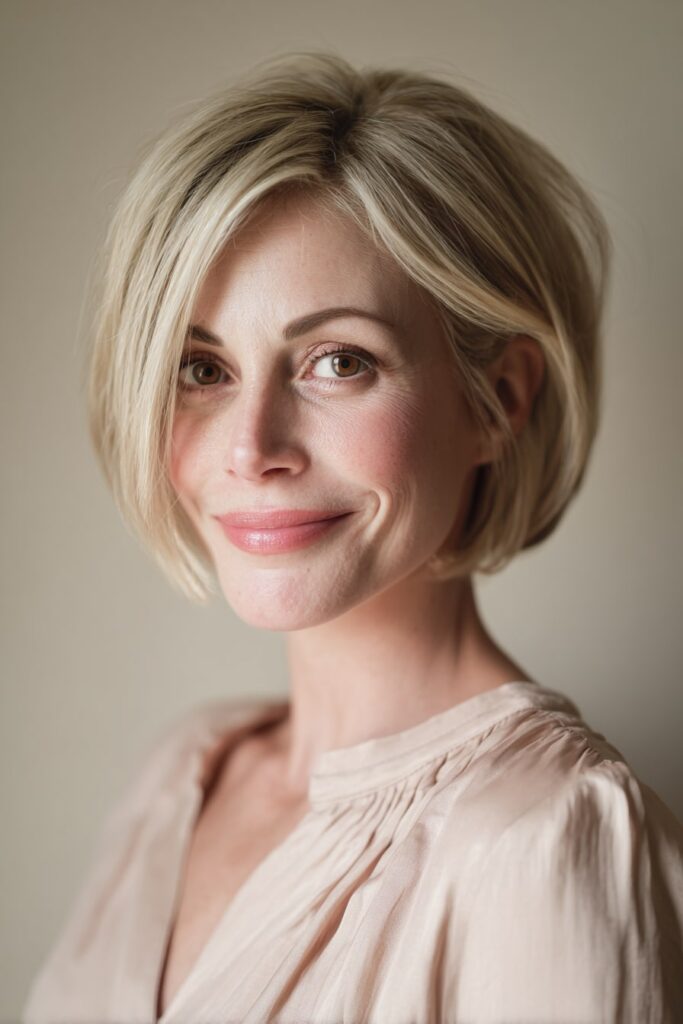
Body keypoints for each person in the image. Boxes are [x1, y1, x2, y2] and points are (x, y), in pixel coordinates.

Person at [23, 51, 683, 1024]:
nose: (251, 448)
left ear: (496, 399)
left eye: (337, 361)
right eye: (202, 369)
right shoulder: (185, 769)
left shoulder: (548, 837)